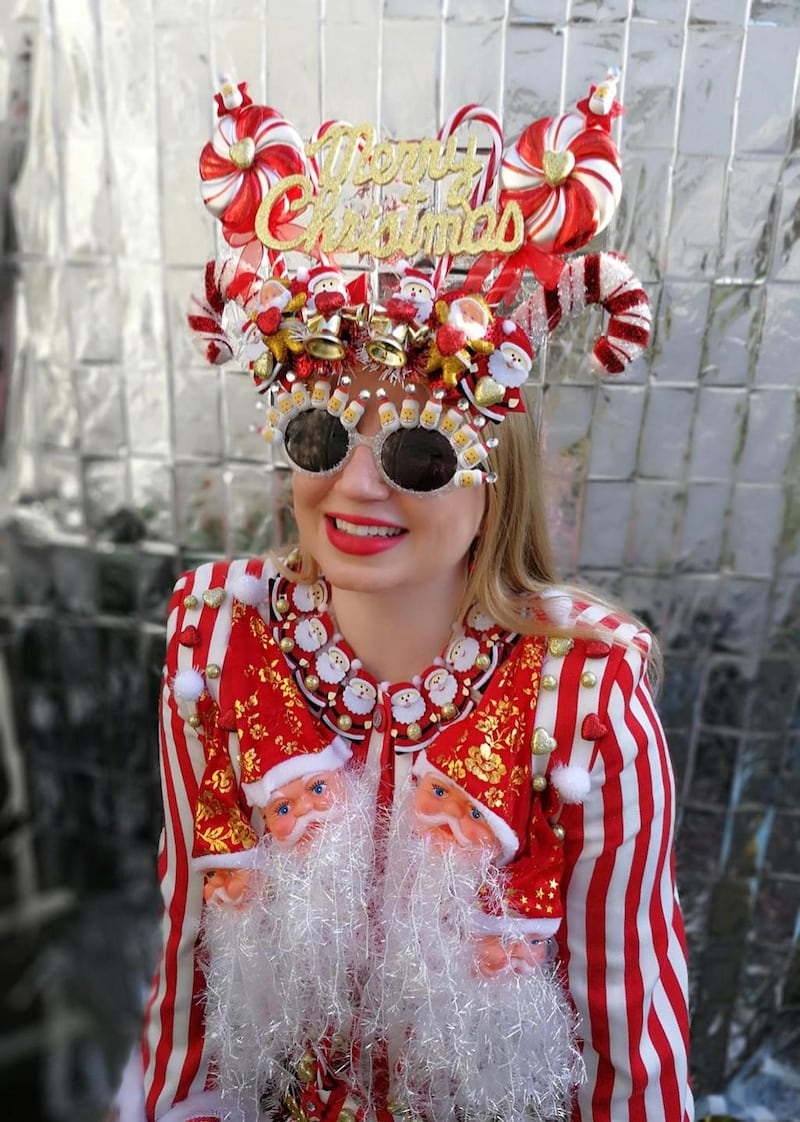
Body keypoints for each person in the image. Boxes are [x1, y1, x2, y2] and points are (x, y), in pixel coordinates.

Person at [113, 70, 693, 1122]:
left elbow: (629, 1029)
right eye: (319, 436)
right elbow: (187, 959)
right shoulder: (217, 647)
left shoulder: (581, 697)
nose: (356, 486)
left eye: (419, 453)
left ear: (494, 477)